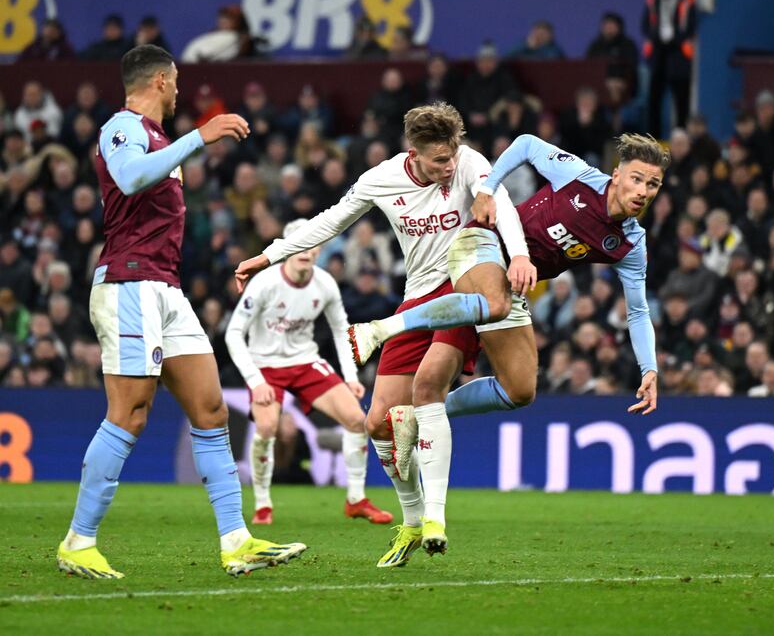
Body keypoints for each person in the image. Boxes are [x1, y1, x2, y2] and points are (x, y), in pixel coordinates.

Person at [234, 103, 529, 567]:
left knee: (429, 384)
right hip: (417, 298)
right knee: (376, 423)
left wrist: (519, 256)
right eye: (438, 161)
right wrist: (269, 256)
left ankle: (435, 518)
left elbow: (501, 205)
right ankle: (411, 522)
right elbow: (329, 221)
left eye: (451, 156)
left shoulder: (470, 163)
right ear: (413, 153)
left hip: (464, 286)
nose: (448, 166)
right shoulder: (382, 179)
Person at [57, 45, 305, 580]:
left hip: (165, 289)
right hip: (128, 283)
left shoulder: (161, 140)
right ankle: (79, 540)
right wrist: (201, 136)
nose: (180, 90)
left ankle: (235, 541)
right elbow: (128, 179)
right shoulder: (121, 128)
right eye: (177, 82)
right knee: (130, 412)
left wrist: (188, 142)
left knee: (212, 410)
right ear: (163, 80)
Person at [345, 132, 666, 496]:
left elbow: (638, 311)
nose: (643, 190)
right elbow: (527, 144)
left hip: (511, 282)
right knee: (480, 321)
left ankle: (419, 418)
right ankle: (380, 329)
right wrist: (487, 189)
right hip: (483, 243)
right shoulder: (579, 176)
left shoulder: (630, 244)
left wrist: (649, 368)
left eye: (653, 184)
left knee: (520, 389)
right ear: (617, 175)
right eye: (637, 179)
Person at [225, 219, 392, 526]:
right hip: (265, 365)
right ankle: (263, 505)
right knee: (267, 427)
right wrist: (255, 380)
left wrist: (351, 377)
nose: (304, 249)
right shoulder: (264, 283)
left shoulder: (325, 283)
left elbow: (341, 331)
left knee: (356, 419)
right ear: (286, 249)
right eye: (297, 243)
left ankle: (356, 499)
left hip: (304, 362)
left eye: (311, 243)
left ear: (319, 250)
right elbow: (233, 334)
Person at [642, 0, 696, 137]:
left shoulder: (687, 0)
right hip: (658, 54)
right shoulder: (653, 0)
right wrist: (658, 36)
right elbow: (645, 25)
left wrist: (675, 37)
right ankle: (654, 137)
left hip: (678, 56)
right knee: (654, 99)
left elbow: (691, 26)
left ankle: (680, 135)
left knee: (681, 99)